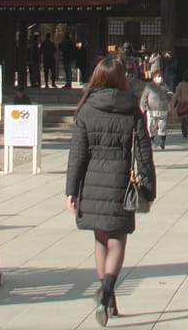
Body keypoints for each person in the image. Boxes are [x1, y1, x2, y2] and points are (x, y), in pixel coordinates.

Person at [65, 57, 156, 326]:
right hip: (119, 179)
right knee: (118, 239)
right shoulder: (131, 109)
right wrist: (148, 191)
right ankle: (107, 291)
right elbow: (143, 153)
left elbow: (77, 154)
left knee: (100, 239)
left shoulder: (86, 110)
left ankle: (107, 294)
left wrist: (71, 189)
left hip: (91, 180)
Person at [142, 73, 172, 151]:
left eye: (160, 76)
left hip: (162, 109)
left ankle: (162, 141)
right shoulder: (149, 87)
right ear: (154, 78)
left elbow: (169, 97)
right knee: (151, 126)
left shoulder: (165, 86)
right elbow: (144, 97)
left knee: (162, 126)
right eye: (157, 76)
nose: (159, 78)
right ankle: (152, 141)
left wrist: (169, 106)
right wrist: (143, 106)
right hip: (151, 110)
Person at [172, 75, 188, 140]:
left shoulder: (180, 85)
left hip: (182, 103)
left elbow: (176, 94)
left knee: (183, 119)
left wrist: (174, 102)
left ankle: (184, 132)